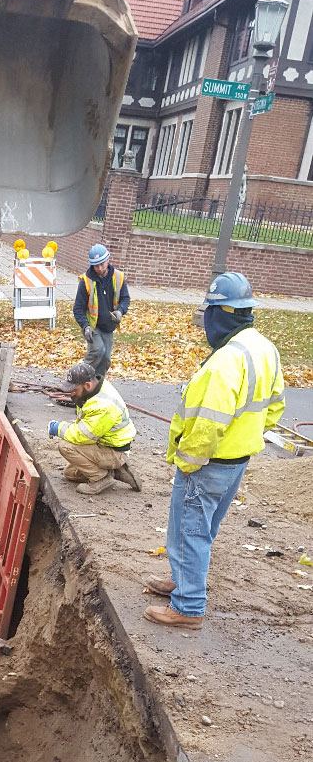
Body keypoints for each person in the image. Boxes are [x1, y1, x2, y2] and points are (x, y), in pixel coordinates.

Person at [144, 273, 285, 630]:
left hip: (207, 463)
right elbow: (275, 405)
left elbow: (207, 423)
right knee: (193, 528)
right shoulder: (264, 348)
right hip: (236, 460)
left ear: (219, 314)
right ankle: (180, 579)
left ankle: (188, 607)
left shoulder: (225, 362)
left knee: (192, 532)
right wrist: (249, 434)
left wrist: (189, 461)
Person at [48, 361, 141, 495]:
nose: (71, 393)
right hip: (106, 444)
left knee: (65, 446)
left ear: (87, 385)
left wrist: (57, 428)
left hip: (113, 450)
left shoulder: (103, 405)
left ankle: (102, 478)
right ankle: (117, 471)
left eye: (74, 389)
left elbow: (83, 436)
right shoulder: (93, 391)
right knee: (70, 474)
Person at [73, 243, 130, 377]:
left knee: (105, 359)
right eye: (96, 265)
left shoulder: (118, 277)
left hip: (108, 325)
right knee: (97, 350)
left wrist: (120, 311)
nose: (99, 268)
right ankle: (78, 379)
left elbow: (125, 299)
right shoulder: (86, 281)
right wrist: (86, 326)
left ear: (108, 260)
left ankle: (97, 384)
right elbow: (78, 308)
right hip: (92, 327)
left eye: (102, 264)